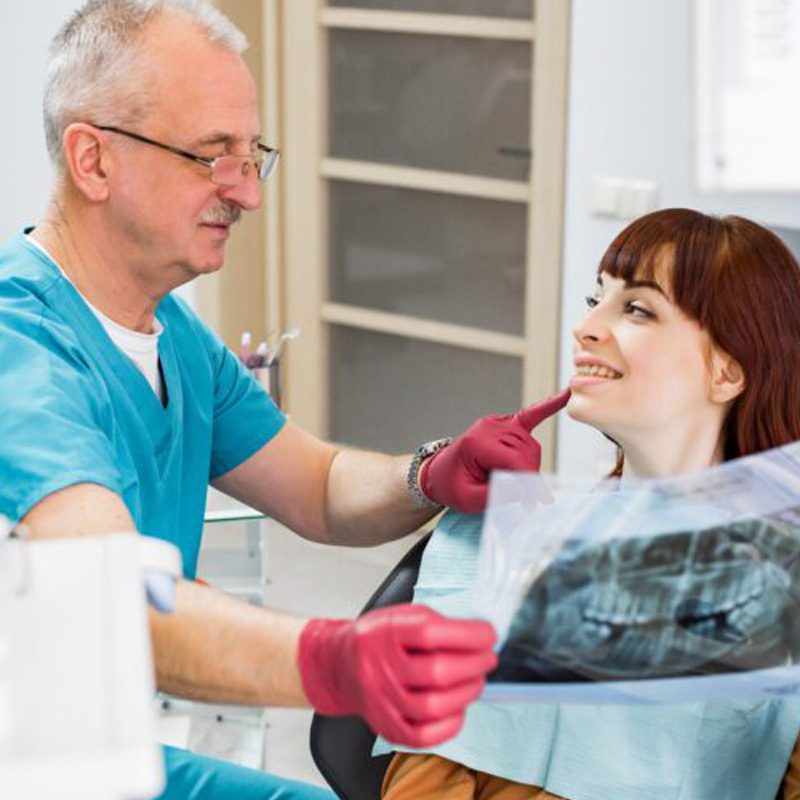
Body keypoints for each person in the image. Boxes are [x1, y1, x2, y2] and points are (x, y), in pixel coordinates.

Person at [0, 1, 567, 798]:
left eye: (250, 154)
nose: (247, 193)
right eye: (210, 156)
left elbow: (319, 489)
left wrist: (431, 472)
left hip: (109, 745)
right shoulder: (19, 349)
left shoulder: (169, 334)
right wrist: (335, 661)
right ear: (92, 161)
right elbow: (109, 606)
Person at [379, 208, 800, 800]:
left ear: (727, 371)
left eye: (637, 309)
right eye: (595, 298)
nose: (585, 327)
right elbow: (426, 770)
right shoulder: (507, 537)